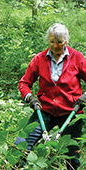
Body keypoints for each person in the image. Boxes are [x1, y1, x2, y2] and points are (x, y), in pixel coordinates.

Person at [15, 23, 86, 169]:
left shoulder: (77, 58)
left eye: (59, 42)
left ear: (66, 41)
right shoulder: (40, 59)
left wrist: (84, 98)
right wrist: (30, 97)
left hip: (70, 113)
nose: (55, 46)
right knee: (19, 146)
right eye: (52, 42)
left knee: (71, 157)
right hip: (44, 111)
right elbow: (24, 83)